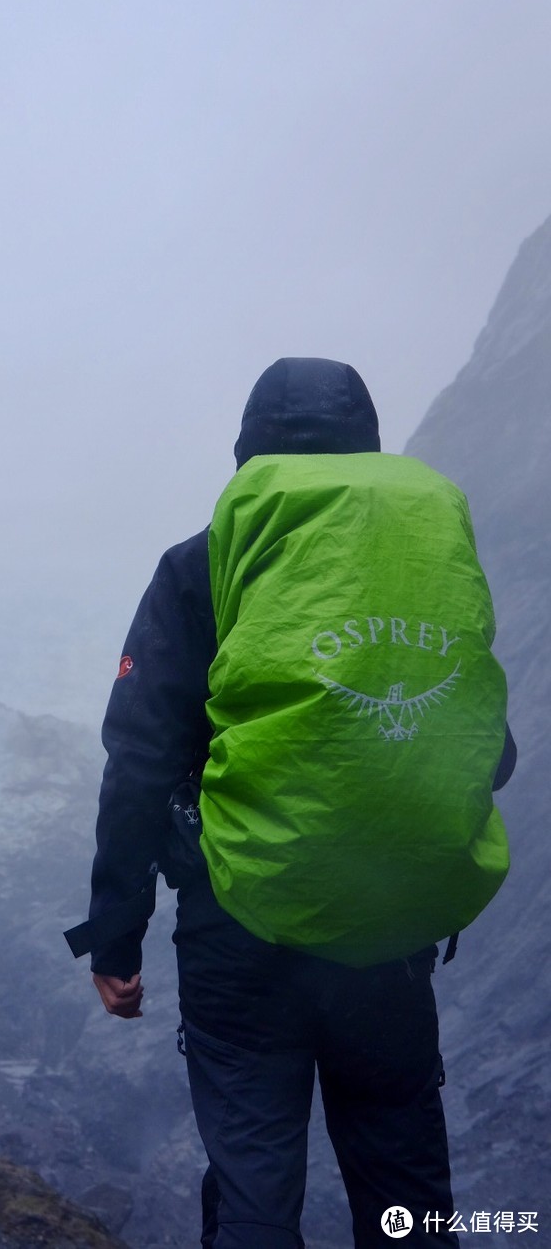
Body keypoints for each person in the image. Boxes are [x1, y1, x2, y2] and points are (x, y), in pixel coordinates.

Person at [77, 358, 516, 1249]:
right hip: (386, 933)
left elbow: (140, 759)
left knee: (255, 1191)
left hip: (238, 924)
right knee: (407, 1195)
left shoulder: (203, 564)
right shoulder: (417, 567)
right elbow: (490, 753)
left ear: (249, 458)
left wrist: (116, 938)